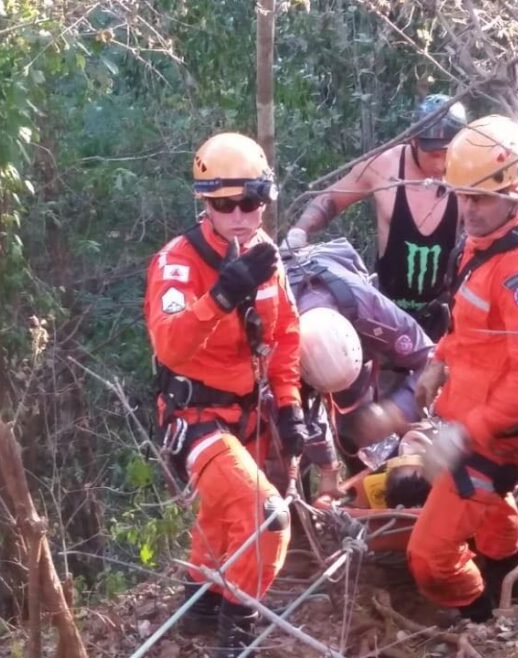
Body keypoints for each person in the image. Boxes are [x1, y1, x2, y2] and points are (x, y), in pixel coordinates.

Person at [142, 132, 310, 655]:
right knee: (266, 518)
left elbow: (284, 338)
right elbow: (169, 343)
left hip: (247, 411)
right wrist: (221, 294)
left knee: (223, 518)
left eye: (250, 203)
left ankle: (205, 604)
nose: (239, 215)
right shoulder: (178, 263)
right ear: (205, 205)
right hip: (194, 414)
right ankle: (235, 638)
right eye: (224, 204)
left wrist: (290, 407)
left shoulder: (266, 258)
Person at [405, 115, 518, 623]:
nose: (468, 211)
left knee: (428, 558)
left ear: (517, 191)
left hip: (497, 433)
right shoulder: (485, 243)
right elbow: (470, 324)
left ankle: (480, 613)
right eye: (461, 197)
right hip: (471, 417)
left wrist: (467, 434)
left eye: (479, 199)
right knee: (492, 510)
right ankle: (508, 580)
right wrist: (439, 360)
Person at [286, 94, 468, 338]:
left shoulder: (469, 175)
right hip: (386, 311)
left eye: (447, 153)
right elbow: (330, 199)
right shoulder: (384, 167)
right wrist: (299, 232)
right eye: (433, 154)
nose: (440, 163)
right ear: (414, 141)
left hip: (442, 313)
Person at [282, 239, 436, 474]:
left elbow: (429, 358)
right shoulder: (275, 328)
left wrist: (395, 411)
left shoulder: (370, 309)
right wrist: (326, 468)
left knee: (361, 428)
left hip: (352, 339)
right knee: (286, 449)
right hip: (288, 362)